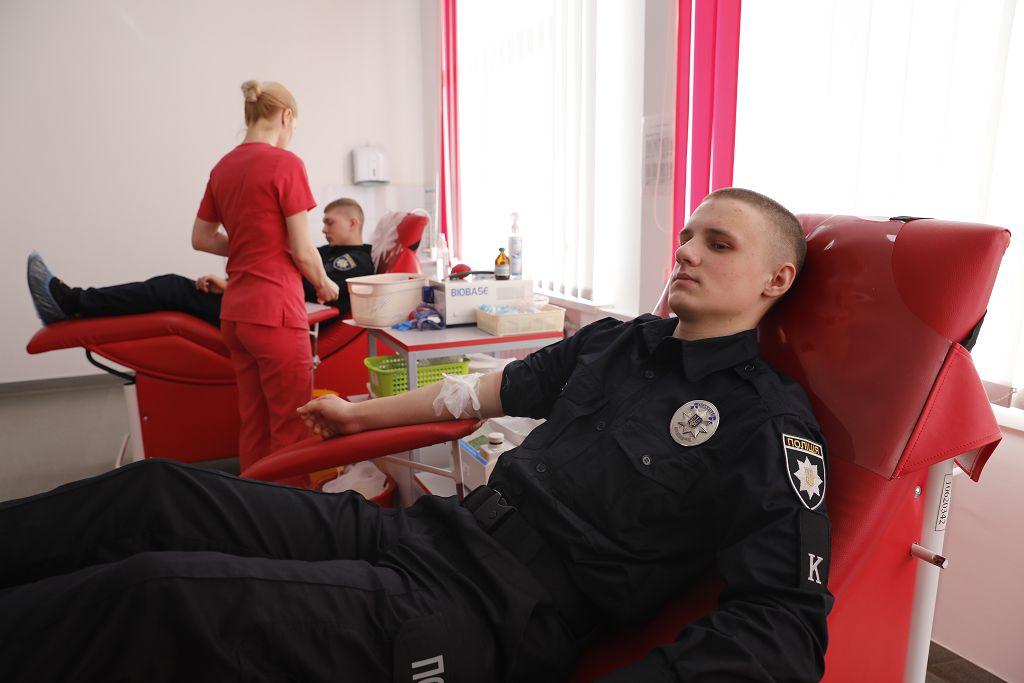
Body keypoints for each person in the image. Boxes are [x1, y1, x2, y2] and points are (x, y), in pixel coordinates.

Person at [0, 188, 832, 682]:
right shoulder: (617, 343)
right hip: (430, 533)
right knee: (160, 492)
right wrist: (354, 415)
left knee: (158, 595)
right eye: (686, 234)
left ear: (776, 278)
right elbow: (480, 391)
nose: (685, 251)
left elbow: (786, 624)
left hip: (487, 615)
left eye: (717, 243)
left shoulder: (767, 424)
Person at [199, 80, 337, 470]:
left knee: (255, 423)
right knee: (291, 426)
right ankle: (288, 506)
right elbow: (303, 251)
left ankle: (252, 500)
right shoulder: (285, 163)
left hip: (236, 315)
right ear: (286, 116)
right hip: (275, 313)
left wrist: (250, 245)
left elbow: (201, 237)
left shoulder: (222, 168)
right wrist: (325, 284)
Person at [25, 197, 375, 329]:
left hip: (269, 314)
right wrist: (231, 286)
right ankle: (76, 304)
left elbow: (311, 290)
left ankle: (74, 303)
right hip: (260, 302)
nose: (323, 228)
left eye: (329, 222)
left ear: (353, 222)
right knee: (169, 288)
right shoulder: (327, 254)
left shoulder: (355, 262)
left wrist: (234, 288)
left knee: (170, 288)